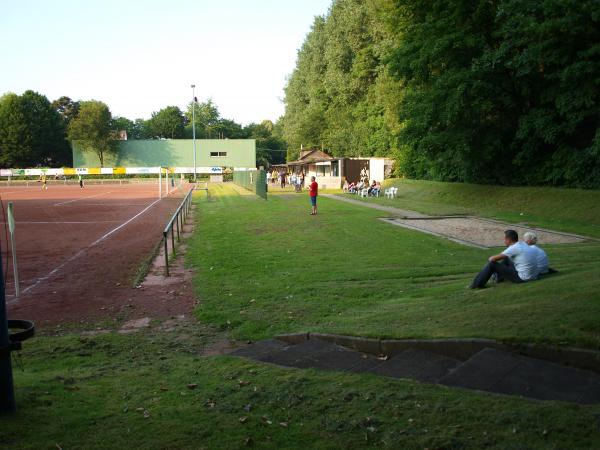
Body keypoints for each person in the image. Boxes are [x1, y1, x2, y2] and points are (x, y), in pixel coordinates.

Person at [469, 230, 539, 288]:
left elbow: (492, 259)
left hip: (523, 278)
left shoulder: (513, 248)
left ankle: (476, 285)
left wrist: (491, 258)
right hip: (533, 276)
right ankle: (498, 278)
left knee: (491, 264)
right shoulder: (522, 244)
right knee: (506, 259)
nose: (504, 240)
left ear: (508, 239)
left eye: (504, 239)